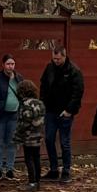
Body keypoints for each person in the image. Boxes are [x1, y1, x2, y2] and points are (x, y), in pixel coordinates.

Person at [39, 45, 84, 183]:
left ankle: (66, 170)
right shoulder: (49, 68)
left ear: (64, 56)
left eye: (58, 59)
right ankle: (53, 169)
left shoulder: (73, 71)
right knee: (49, 139)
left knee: (65, 142)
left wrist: (69, 110)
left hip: (65, 112)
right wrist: (43, 103)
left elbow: (77, 93)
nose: (56, 61)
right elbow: (43, 86)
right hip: (50, 110)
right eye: (54, 58)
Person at [14, 79, 46, 191]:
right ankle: (37, 181)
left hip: (29, 136)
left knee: (29, 159)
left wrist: (18, 136)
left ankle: (32, 182)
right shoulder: (40, 103)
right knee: (37, 157)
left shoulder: (25, 104)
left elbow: (25, 122)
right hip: (38, 135)